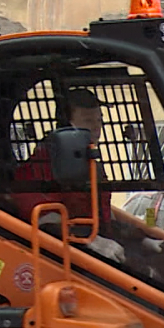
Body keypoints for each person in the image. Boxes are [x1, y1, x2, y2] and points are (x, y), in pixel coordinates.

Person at [12, 88, 125, 262]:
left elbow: (102, 212)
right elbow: (44, 219)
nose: (97, 127)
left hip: (96, 243)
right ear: (66, 124)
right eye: (88, 121)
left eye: (99, 120)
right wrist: (91, 239)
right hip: (68, 254)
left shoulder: (88, 160)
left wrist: (142, 238)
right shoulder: (44, 164)